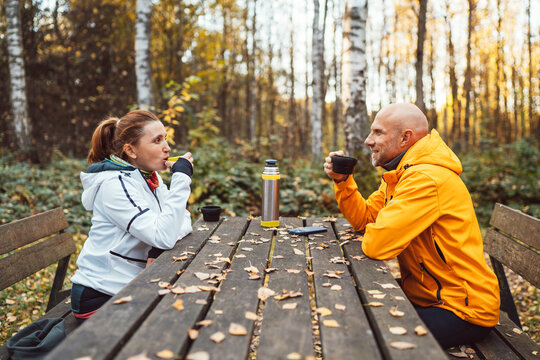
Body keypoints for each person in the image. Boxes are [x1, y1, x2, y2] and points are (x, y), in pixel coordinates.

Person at [323, 103, 500, 349]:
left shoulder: (425, 180)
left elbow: (377, 245)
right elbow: (365, 220)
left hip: (462, 309)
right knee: (352, 307)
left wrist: (384, 228)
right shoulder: (402, 174)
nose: (368, 140)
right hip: (426, 295)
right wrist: (343, 182)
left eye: (378, 132)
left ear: (405, 137)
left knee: (363, 338)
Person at [70, 110, 193, 323]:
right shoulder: (114, 185)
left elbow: (183, 220)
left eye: (165, 138)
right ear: (130, 150)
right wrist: (181, 179)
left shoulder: (149, 178)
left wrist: (158, 245)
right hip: (101, 296)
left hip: (133, 282)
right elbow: (165, 233)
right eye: (157, 140)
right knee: (181, 317)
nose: (167, 147)